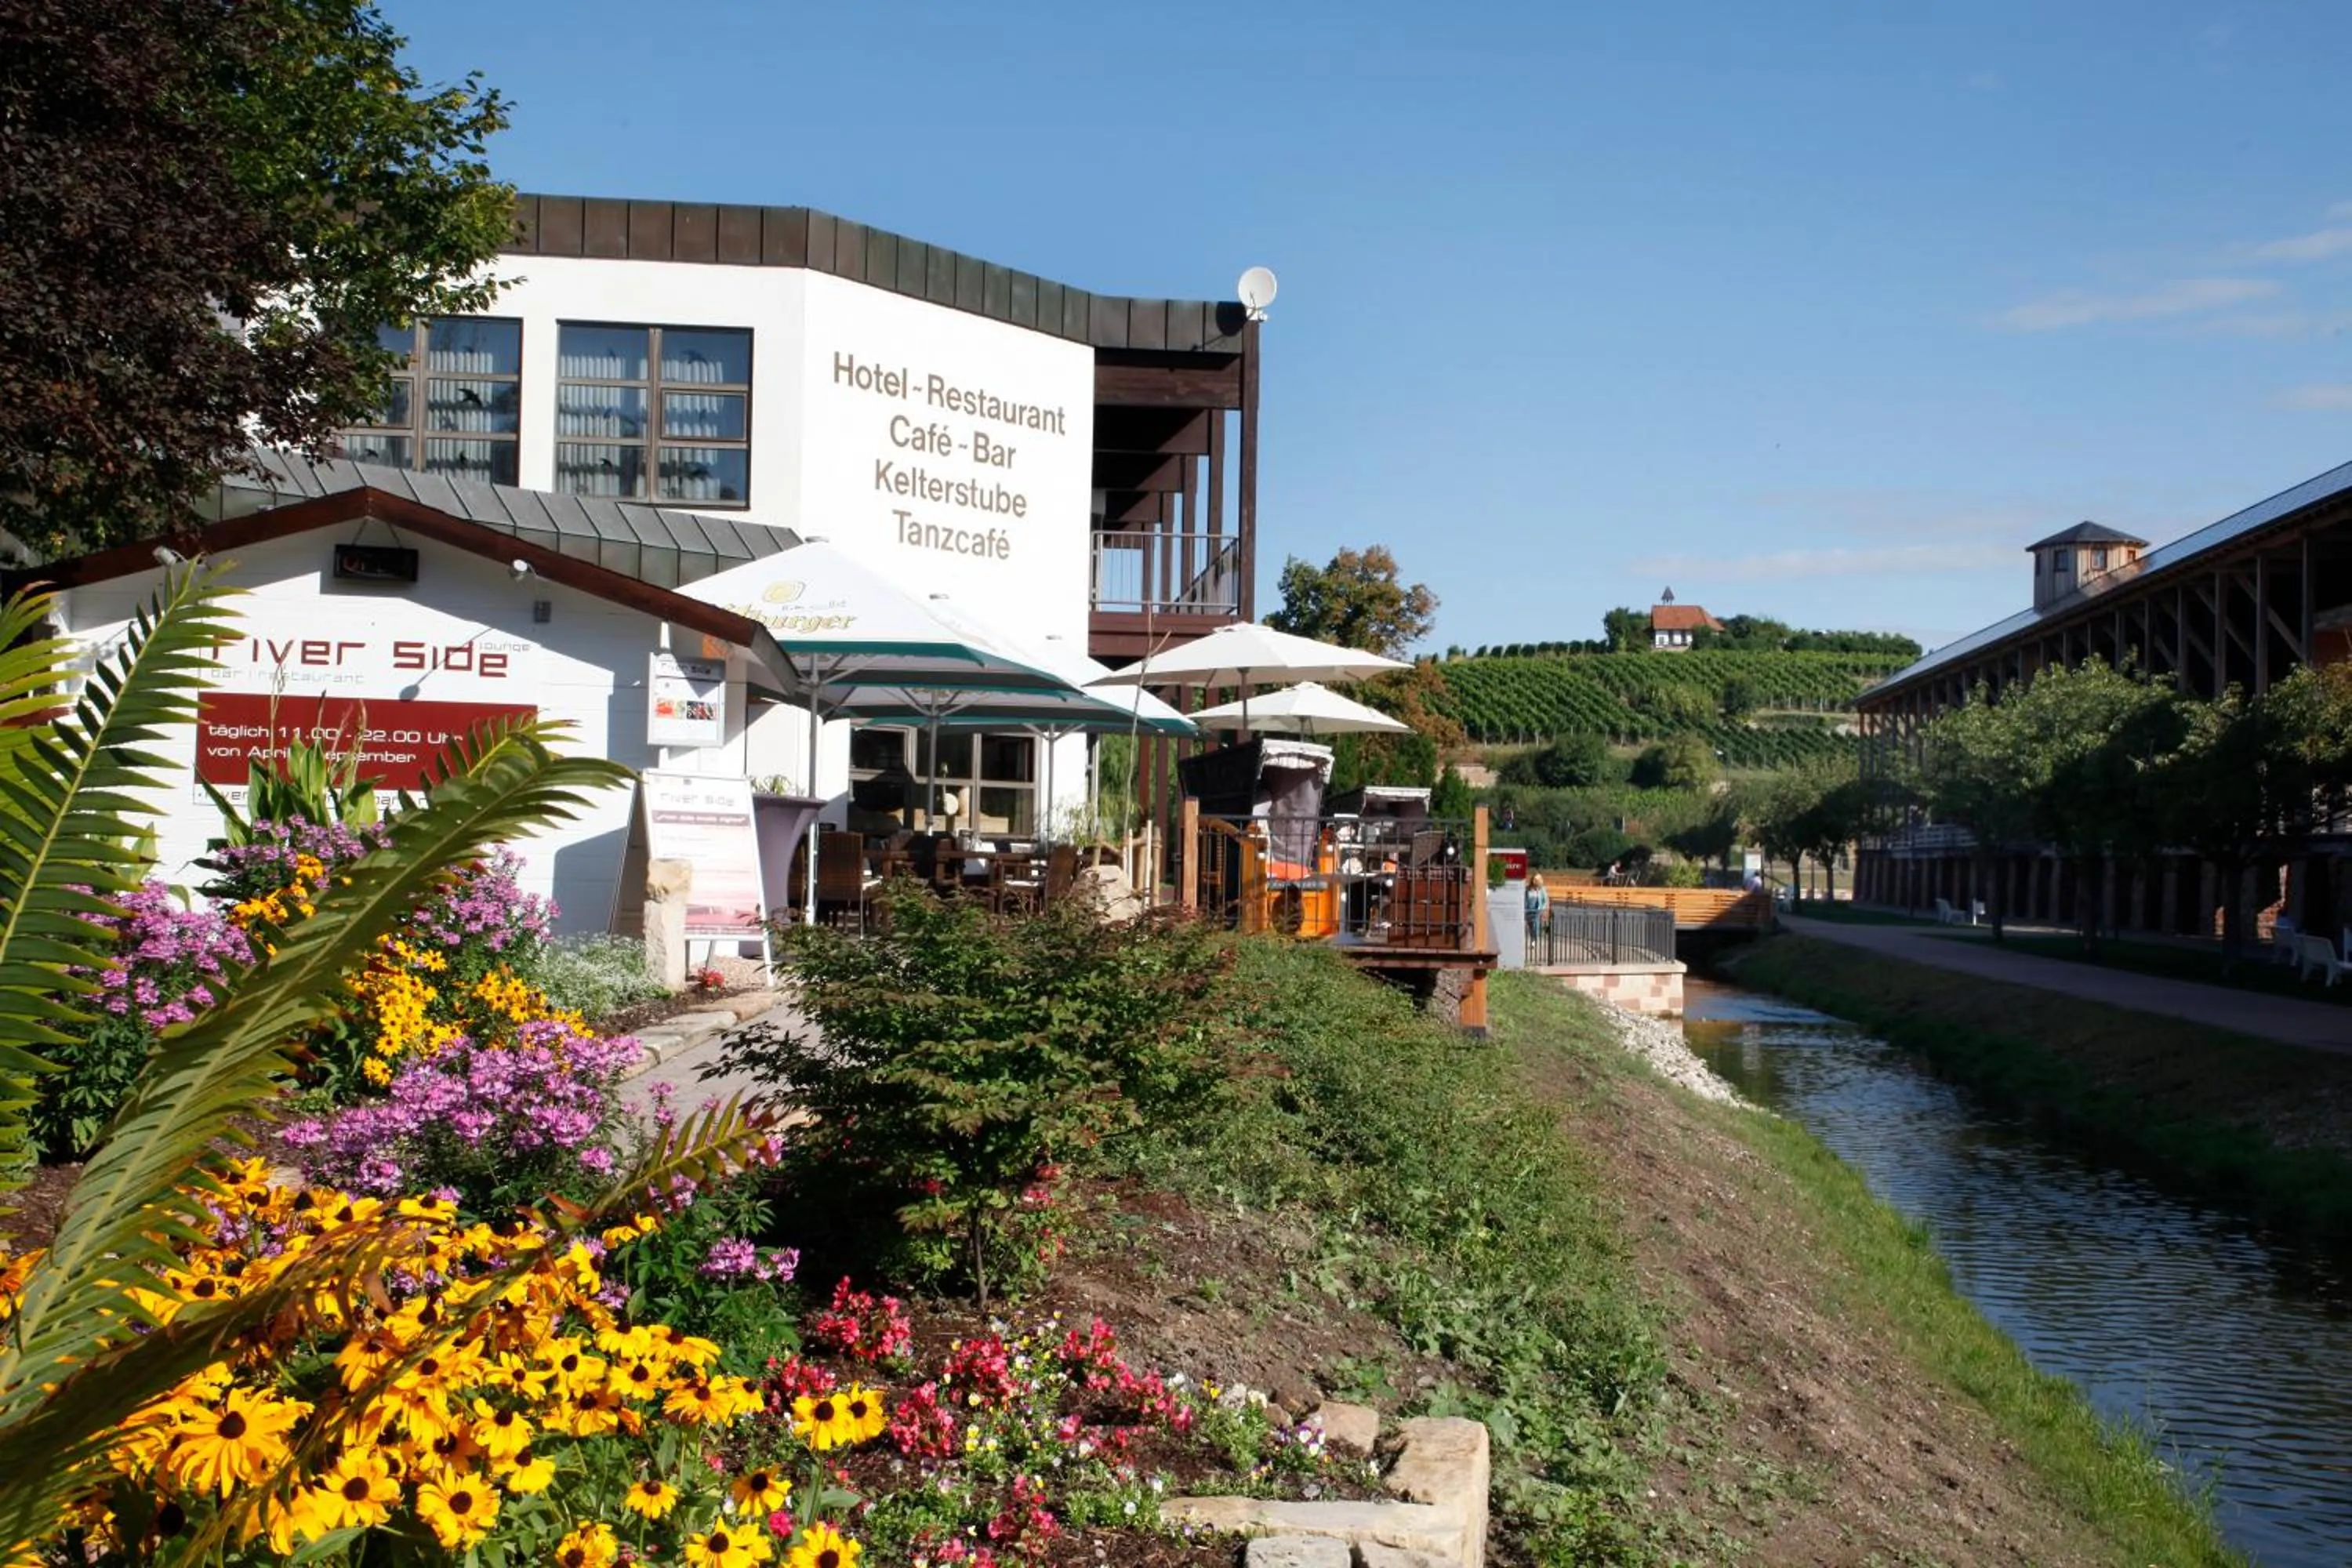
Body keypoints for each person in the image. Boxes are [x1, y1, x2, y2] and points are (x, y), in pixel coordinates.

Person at [1524, 873, 1551, 944]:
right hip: (1528, 909)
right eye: (1533, 879)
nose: (1534, 881)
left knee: (1535, 924)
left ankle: (1534, 940)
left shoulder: (1542, 889)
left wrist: (1544, 908)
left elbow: (1545, 900)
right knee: (1530, 925)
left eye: (1536, 880)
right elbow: (1525, 899)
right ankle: (1533, 938)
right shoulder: (1527, 889)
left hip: (1537, 909)